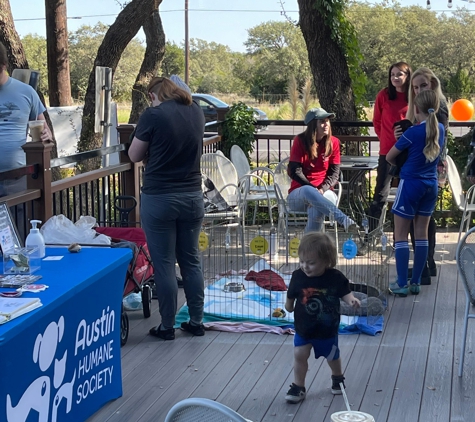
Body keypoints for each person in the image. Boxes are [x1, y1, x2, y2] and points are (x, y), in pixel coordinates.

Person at [128, 76, 206, 340]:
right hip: (193, 196)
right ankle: (196, 321)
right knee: (191, 261)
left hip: (160, 197)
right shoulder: (196, 111)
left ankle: (167, 326)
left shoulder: (153, 115)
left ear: (154, 95)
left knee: (163, 264)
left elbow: (134, 155)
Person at [284, 232, 360, 403]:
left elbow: (345, 293)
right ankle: (298, 386)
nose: (305, 266)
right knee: (299, 355)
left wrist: (351, 300)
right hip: (304, 328)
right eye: (302, 261)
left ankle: (337, 377)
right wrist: (288, 306)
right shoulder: (298, 276)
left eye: (311, 263)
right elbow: (292, 294)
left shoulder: (335, 277)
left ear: (327, 261)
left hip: (327, 329)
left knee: (332, 356)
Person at [387, 89, 444, 297]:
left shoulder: (412, 133)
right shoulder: (439, 129)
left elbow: (390, 156)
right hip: (431, 185)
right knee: (421, 234)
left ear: (416, 108)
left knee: (400, 235)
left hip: (410, 183)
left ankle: (401, 283)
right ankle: (417, 282)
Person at [403, 68, 449, 280]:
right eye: (415, 87)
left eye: (423, 85)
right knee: (421, 220)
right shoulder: (420, 110)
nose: (419, 90)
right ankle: (426, 265)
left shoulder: (436, 110)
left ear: (432, 84)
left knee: (422, 221)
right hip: (424, 169)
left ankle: (425, 265)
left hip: (429, 168)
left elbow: (432, 142)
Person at [287, 108, 358, 233]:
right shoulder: (300, 140)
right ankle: (344, 220)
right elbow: (294, 171)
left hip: (325, 192)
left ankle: (307, 248)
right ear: (313, 125)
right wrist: (313, 190)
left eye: (327, 121)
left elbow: (334, 173)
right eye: (322, 122)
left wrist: (322, 189)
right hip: (299, 194)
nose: (326, 125)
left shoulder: (334, 142)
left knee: (316, 209)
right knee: (308, 191)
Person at [0, 42, 52, 197]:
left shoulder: (26, 92)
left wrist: (47, 136)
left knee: (22, 221)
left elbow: (44, 128)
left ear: (3, 65)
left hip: (18, 178)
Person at [370, 62, 412, 219]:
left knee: (406, 191)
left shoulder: (413, 96)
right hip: (387, 151)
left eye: (399, 74)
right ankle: (372, 233)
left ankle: (400, 232)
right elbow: (377, 121)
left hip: (408, 151)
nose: (395, 77)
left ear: (407, 76)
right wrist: (385, 137)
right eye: (392, 74)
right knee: (381, 192)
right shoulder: (383, 95)